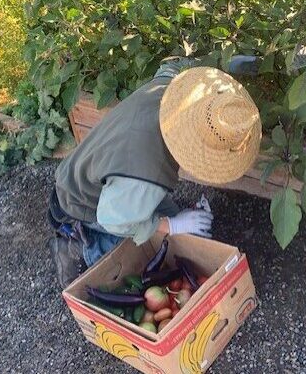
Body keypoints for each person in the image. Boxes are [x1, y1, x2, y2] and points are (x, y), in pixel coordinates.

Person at [47, 56, 262, 288]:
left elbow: (174, 64)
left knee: (166, 224)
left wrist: (223, 63)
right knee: (134, 260)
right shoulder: (149, 168)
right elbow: (114, 220)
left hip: (86, 172)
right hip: (81, 203)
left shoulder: (169, 89)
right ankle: (76, 246)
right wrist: (173, 226)